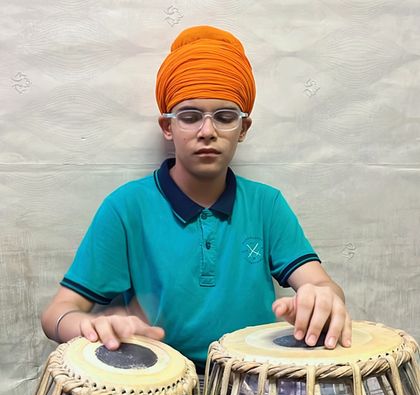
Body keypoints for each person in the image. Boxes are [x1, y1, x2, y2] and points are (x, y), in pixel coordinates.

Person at [41, 25, 352, 373]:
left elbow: (322, 284)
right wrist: (87, 326)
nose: (207, 131)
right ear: (167, 127)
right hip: (156, 391)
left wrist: (323, 297)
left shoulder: (267, 205)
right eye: (189, 117)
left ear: (244, 129)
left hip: (253, 385)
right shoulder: (127, 207)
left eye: (225, 117)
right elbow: (56, 313)